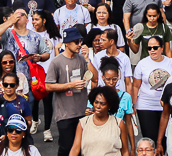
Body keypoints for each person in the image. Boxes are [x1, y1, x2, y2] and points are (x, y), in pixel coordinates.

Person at [45, 28, 90, 156]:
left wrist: (87, 59)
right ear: (66, 43)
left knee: (83, 148)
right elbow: (48, 86)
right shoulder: (56, 62)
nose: (79, 44)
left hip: (82, 112)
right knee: (66, 147)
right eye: (76, 42)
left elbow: (95, 78)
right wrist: (70, 85)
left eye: (80, 41)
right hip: (65, 114)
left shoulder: (81, 59)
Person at [131, 35, 172, 141]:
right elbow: (136, 86)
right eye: (149, 48)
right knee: (149, 138)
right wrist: (134, 106)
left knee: (165, 139)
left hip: (166, 106)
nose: (152, 50)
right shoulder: (142, 64)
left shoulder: (171, 63)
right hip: (145, 105)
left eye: (155, 47)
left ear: (162, 48)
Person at [68, 86, 130, 156]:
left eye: (102, 104)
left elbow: (125, 151)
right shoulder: (83, 123)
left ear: (110, 106)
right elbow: (75, 148)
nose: (98, 106)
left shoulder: (119, 123)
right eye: (96, 102)